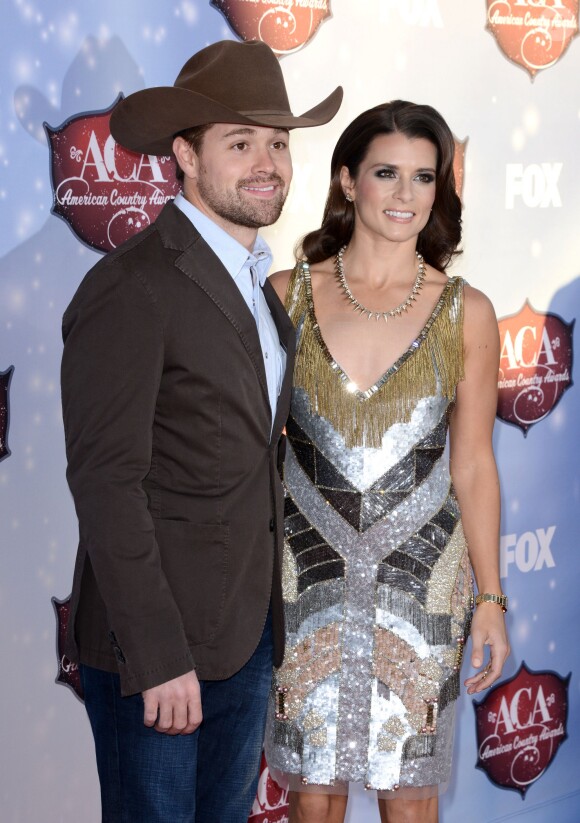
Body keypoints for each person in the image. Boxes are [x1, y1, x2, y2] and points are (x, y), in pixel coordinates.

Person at [60, 39, 342, 823]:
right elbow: (107, 484)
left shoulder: (261, 288)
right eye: (241, 141)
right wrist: (158, 657)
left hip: (245, 639)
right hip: (156, 652)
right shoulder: (132, 286)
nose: (268, 163)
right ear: (184, 154)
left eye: (279, 142)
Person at [264, 101, 510, 823]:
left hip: (422, 583)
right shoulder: (286, 295)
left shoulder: (468, 311)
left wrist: (490, 600)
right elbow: (254, 453)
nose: (406, 195)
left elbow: (473, 464)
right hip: (304, 575)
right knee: (312, 792)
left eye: (424, 177)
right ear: (347, 180)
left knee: (411, 795)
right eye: (386, 173)